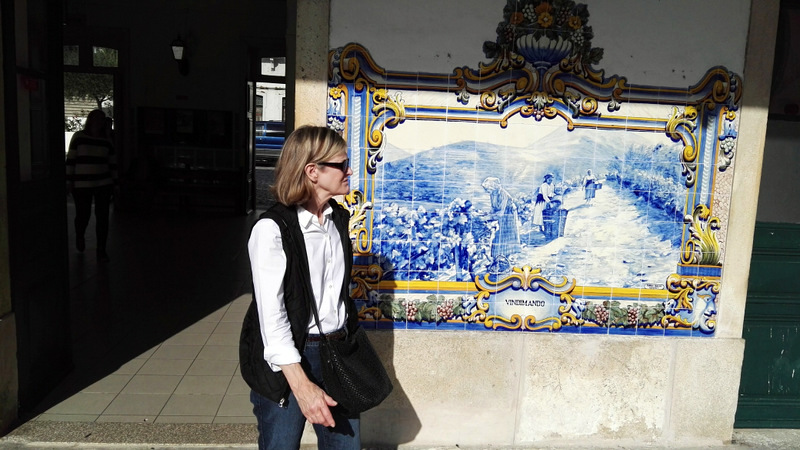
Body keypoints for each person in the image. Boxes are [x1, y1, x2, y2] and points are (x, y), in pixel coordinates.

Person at [247, 126, 360, 449]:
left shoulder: (338, 219)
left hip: (337, 352)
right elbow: (272, 315)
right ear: (313, 171)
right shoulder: (272, 229)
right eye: (341, 164)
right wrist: (300, 384)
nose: (349, 170)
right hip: (290, 358)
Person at [65, 109, 118, 262]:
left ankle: (101, 249)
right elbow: (71, 160)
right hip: (82, 184)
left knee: (102, 217)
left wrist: (115, 183)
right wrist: (69, 181)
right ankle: (80, 235)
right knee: (83, 214)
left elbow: (112, 163)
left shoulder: (107, 140)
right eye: (97, 119)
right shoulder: (79, 137)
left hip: (103, 182)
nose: (99, 122)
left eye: (102, 119)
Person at [481, 177, 520, 258]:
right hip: (501, 214)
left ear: (494, 187)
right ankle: (497, 255)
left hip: (509, 213)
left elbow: (501, 212)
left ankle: (507, 254)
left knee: (506, 233)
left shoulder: (503, 194)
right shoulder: (492, 194)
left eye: (488, 188)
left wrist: (488, 217)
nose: (487, 191)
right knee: (498, 234)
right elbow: (493, 207)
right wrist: (487, 214)